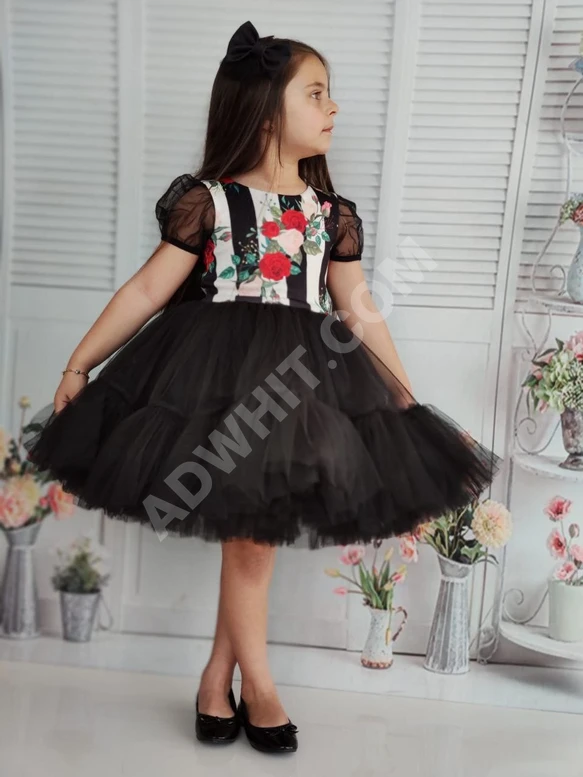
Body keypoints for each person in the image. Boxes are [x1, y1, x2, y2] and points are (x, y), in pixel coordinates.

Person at [24, 20, 502, 754]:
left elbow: (357, 308)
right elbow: (149, 289)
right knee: (248, 540)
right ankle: (261, 685)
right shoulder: (209, 202)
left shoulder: (328, 214)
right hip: (217, 383)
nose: (333, 108)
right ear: (267, 110)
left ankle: (219, 677)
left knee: (251, 534)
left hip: (302, 388)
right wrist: (78, 362)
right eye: (316, 93)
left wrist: (402, 396)